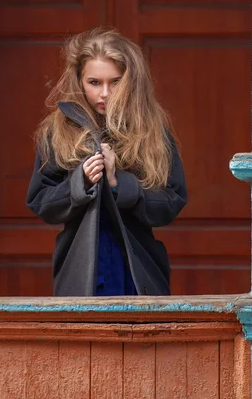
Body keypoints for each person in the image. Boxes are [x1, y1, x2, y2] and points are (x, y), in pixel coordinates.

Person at [26, 28, 187, 296]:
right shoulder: (58, 130)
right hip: (82, 270)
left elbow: (172, 201)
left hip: (139, 271)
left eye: (115, 82)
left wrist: (118, 183)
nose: (105, 93)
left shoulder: (152, 130)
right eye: (94, 82)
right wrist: (81, 182)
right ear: (79, 81)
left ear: (130, 81)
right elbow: (40, 201)